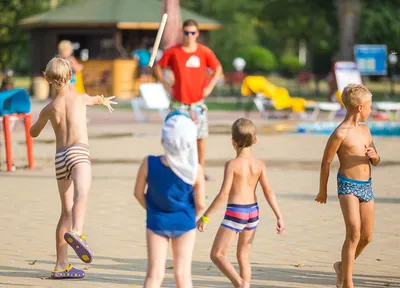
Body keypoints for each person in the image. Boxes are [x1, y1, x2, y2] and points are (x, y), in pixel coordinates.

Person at [29, 56, 117, 279]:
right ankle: (77, 232)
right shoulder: (79, 98)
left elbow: (33, 132)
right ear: (71, 76)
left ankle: (61, 265)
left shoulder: (50, 108)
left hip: (60, 158)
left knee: (65, 211)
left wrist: (39, 119)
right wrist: (104, 100)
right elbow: (96, 99)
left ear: (48, 79)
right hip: (78, 152)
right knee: (83, 192)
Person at [197, 118, 284, 288]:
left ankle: (239, 283)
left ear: (233, 143)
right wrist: (279, 216)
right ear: (255, 140)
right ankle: (246, 284)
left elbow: (223, 194)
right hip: (253, 213)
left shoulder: (232, 165)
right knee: (244, 257)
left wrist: (205, 217)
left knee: (217, 254)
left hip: (236, 212)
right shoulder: (259, 165)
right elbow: (268, 192)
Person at [315, 84, 380, 288]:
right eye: (370, 106)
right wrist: (323, 190)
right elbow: (326, 162)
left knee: (367, 236)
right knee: (354, 232)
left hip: (366, 186)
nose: (371, 110)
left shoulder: (366, 130)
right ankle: (347, 283)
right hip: (347, 186)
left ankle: (342, 266)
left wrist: (375, 156)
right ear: (360, 108)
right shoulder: (339, 133)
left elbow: (376, 160)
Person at [134, 110, 206, 288]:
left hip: (156, 222)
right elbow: (201, 204)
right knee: (182, 275)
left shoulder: (148, 162)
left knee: (154, 274)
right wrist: (190, 215)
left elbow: (137, 193)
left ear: (163, 139)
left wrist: (152, 209)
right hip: (185, 223)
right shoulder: (195, 169)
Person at [154, 19, 223, 181]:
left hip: (198, 102)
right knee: (175, 135)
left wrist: (210, 87)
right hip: (178, 102)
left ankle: (200, 169)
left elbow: (217, 68)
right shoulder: (173, 52)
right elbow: (158, 67)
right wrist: (166, 85)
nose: (190, 36)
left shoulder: (204, 52)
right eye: (186, 32)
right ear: (182, 33)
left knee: (200, 137)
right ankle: (172, 167)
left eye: (193, 33)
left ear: (197, 34)